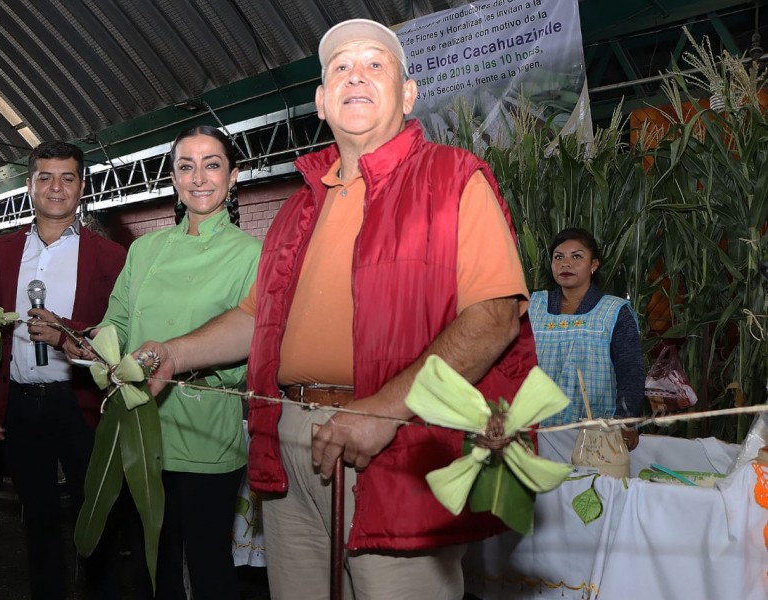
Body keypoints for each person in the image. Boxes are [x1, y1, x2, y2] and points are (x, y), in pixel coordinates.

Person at [131, 19, 536, 600]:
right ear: (321, 101)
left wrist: (386, 412)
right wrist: (174, 352)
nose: (357, 76)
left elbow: (495, 316)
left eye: (376, 64)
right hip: (291, 439)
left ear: (407, 93)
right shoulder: (299, 207)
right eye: (341, 68)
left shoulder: (451, 178)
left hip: (399, 440)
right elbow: (255, 317)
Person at [85, 125, 262, 599]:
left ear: (234, 176)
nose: (199, 178)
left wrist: (181, 362)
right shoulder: (144, 250)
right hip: (139, 431)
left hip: (204, 436)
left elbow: (250, 352)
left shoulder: (252, 255)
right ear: (173, 180)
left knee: (209, 570)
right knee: (151, 566)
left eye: (212, 165)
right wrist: (89, 346)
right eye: (186, 166)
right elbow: (116, 321)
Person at [0, 141, 127, 599]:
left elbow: (121, 334)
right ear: (29, 185)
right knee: (38, 520)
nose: (56, 187)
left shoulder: (111, 258)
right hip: (22, 407)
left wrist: (68, 332)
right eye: (45, 177)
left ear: (82, 186)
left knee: (99, 518)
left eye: (67, 178)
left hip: (85, 408)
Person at [529, 228, 645, 449]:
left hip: (596, 437)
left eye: (577, 256)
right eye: (558, 257)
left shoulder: (614, 311)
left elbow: (631, 372)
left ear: (594, 265)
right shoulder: (534, 306)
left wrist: (625, 422)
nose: (566, 263)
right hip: (537, 433)